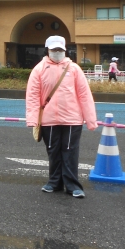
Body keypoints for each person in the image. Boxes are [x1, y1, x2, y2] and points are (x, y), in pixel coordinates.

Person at [26, 35, 97, 198]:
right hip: (48, 119)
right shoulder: (39, 69)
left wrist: (91, 120)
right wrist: (32, 118)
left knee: (70, 151)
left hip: (72, 119)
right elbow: (33, 95)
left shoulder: (74, 69)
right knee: (53, 151)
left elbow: (84, 95)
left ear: (64, 50)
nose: (57, 52)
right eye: (54, 50)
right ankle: (54, 182)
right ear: (48, 50)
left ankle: (72, 185)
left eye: (59, 50)